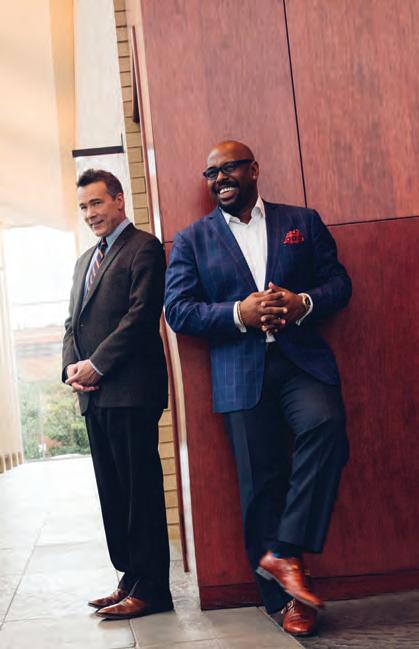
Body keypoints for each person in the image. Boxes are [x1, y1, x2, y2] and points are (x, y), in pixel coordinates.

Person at [164, 141, 351, 636]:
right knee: (260, 485)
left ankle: (283, 551)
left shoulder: (301, 221)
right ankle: (288, 602)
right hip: (238, 373)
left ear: (253, 169)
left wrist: (303, 302)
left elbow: (339, 284)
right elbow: (177, 310)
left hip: (300, 362)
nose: (219, 178)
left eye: (229, 168)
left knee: (327, 427)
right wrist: (237, 313)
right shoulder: (192, 240)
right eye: (211, 173)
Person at [62, 169, 172, 620]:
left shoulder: (144, 247)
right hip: (95, 396)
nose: (90, 214)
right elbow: (72, 324)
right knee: (114, 493)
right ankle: (130, 578)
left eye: (96, 203)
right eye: (83, 207)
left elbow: (140, 318)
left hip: (131, 392)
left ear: (119, 200)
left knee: (139, 492)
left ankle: (153, 589)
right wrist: (71, 370)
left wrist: (98, 365)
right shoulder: (84, 260)